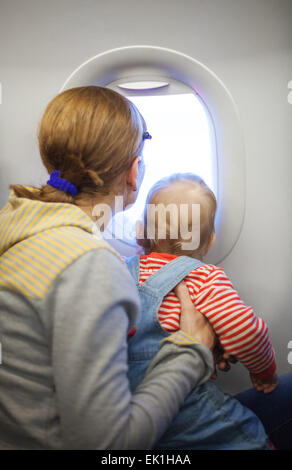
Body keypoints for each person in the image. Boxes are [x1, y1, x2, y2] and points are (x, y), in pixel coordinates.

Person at [0, 86, 216, 450]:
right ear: (134, 172)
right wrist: (191, 351)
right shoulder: (87, 264)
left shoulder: (19, 225)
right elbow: (109, 447)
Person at [126, 172, 277, 449]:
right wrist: (264, 370)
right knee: (248, 436)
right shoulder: (204, 277)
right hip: (187, 411)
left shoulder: (122, 270)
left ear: (143, 232)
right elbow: (245, 330)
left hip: (128, 410)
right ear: (209, 242)